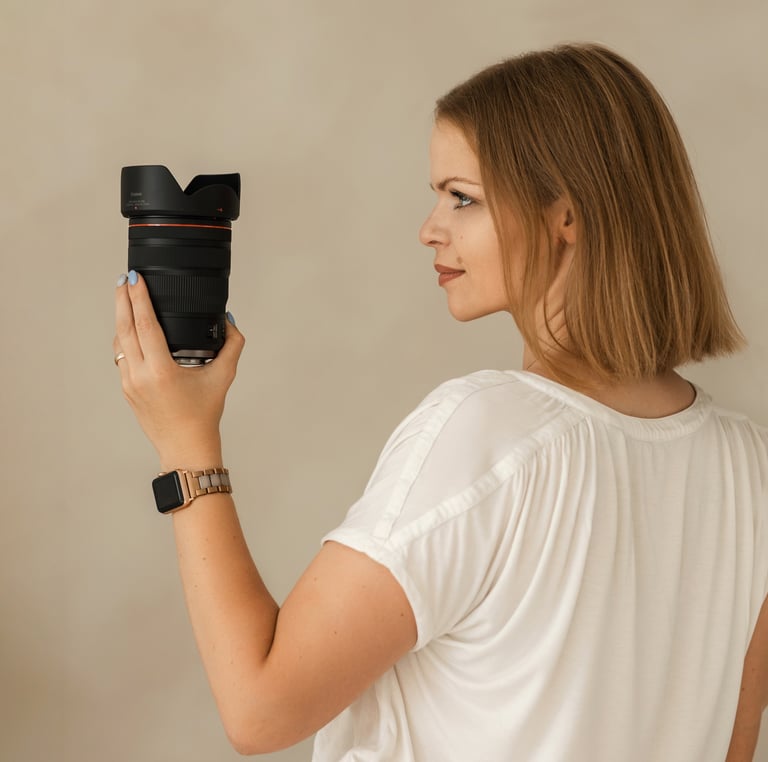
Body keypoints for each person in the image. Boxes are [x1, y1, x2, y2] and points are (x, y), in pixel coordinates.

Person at [113, 43, 768, 761]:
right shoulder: (753, 469)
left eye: (463, 197)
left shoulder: (488, 432)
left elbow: (259, 708)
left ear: (566, 216)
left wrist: (187, 445)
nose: (430, 228)